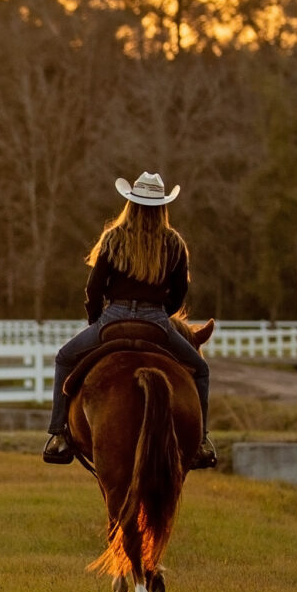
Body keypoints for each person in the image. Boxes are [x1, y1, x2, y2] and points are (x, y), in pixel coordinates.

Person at [41, 171, 215, 470]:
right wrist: (160, 312)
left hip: (114, 317)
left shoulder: (113, 238)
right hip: (156, 322)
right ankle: (200, 441)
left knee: (64, 358)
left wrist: (97, 321)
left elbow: (94, 288)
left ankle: (58, 435)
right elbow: (179, 294)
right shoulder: (174, 243)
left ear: (131, 204)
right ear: (162, 206)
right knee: (200, 369)